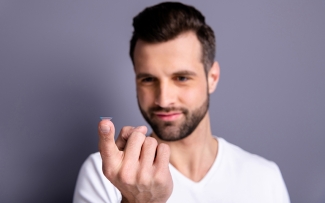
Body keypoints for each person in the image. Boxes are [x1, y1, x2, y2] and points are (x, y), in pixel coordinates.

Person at [73, 2, 290, 203]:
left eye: (182, 78)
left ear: (212, 78)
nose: (164, 99)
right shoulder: (107, 173)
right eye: (148, 79)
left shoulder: (264, 178)